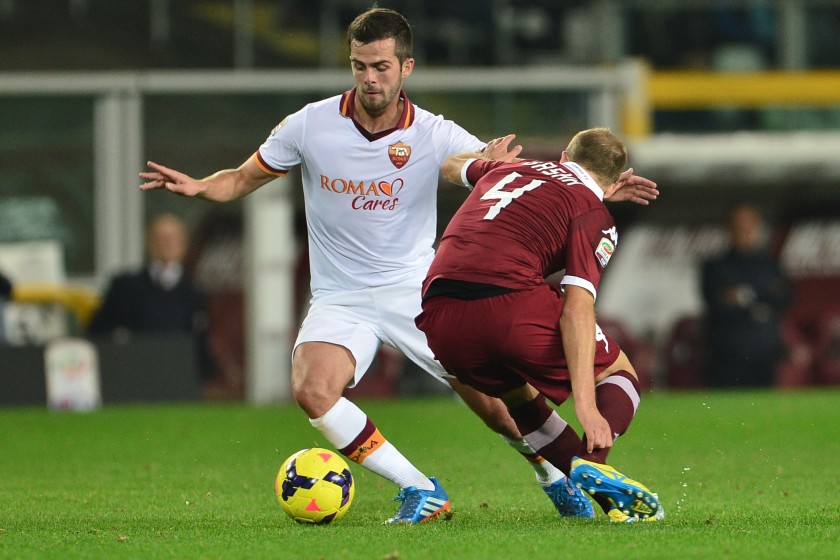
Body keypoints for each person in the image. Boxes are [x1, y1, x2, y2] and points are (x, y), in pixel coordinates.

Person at [139, 8, 658, 524]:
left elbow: (490, 170)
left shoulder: (434, 133)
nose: (370, 78)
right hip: (340, 295)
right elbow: (242, 178)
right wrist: (203, 186)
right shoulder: (308, 125)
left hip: (417, 289)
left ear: (405, 68)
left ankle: (550, 475)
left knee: (499, 405)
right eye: (360, 66)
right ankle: (419, 487)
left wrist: (592, 184)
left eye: (381, 67)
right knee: (312, 390)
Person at [416, 128, 663, 522]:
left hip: (438, 316)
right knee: (619, 372)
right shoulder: (592, 212)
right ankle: (594, 459)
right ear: (616, 181)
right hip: (507, 306)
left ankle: (610, 503)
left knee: (518, 396)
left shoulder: (508, 170)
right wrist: (586, 405)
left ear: (564, 154)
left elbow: (450, 165)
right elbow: (577, 308)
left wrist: (488, 155)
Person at [88, 213, 214, 383]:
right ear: (149, 242)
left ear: (184, 244)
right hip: (131, 378)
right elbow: (97, 330)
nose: (168, 243)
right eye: (161, 238)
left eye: (173, 238)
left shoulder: (195, 293)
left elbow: (200, 346)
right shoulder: (125, 287)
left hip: (177, 381)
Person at [700, 204, 792, 387]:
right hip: (727, 353)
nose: (743, 231)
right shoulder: (716, 266)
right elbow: (715, 304)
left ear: (757, 228)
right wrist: (763, 299)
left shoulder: (770, 264)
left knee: (765, 411)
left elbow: (785, 297)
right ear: (729, 228)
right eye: (738, 226)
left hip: (764, 352)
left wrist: (745, 296)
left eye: (748, 226)